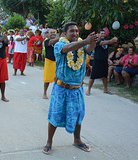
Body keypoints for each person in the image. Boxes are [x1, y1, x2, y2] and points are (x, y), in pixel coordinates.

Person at [42, 22, 98, 155]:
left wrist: (93, 41)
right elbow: (68, 48)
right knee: (55, 115)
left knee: (78, 115)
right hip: (61, 88)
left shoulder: (81, 44)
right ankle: (49, 141)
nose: (75, 33)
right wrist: (85, 41)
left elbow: (89, 49)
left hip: (77, 89)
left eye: (77, 31)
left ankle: (77, 140)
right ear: (65, 34)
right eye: (72, 31)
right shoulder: (60, 44)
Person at [86, 30, 118, 96]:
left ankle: (105, 89)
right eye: (102, 33)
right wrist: (112, 41)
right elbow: (102, 43)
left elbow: (106, 43)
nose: (103, 34)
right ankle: (88, 90)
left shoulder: (106, 41)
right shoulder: (97, 41)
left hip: (104, 61)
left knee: (104, 76)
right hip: (97, 61)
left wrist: (112, 41)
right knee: (93, 76)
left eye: (104, 33)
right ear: (98, 34)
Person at [43, 29, 60, 99]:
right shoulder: (46, 41)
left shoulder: (59, 42)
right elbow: (51, 42)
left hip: (57, 61)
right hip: (49, 61)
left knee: (58, 79)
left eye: (54, 32)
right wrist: (60, 38)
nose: (53, 34)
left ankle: (56, 93)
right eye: (51, 32)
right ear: (48, 34)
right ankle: (44, 93)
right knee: (47, 79)